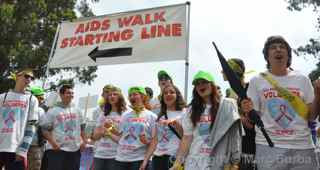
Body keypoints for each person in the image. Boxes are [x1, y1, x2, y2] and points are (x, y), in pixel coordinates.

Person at [241, 35, 320, 170]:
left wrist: (318, 94)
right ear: (267, 56)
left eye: (282, 47)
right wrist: (247, 112)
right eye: (273, 48)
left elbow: (311, 116)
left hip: (302, 146)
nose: (278, 49)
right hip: (268, 146)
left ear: (288, 55)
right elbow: (252, 119)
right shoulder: (256, 81)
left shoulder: (302, 79)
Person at [171, 71, 241, 170]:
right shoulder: (191, 110)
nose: (200, 85)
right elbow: (187, 138)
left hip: (218, 162)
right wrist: (177, 163)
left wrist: (234, 162)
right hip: (194, 162)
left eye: (204, 82)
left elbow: (234, 135)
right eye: (197, 84)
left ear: (212, 85)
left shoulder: (226, 105)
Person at [40, 84, 87, 170]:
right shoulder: (53, 111)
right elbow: (44, 130)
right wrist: (54, 144)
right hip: (57, 150)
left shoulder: (78, 110)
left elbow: (82, 127)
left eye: (72, 93)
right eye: (68, 93)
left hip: (74, 150)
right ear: (61, 95)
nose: (71, 95)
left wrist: (84, 141)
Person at [0, 68, 39, 170]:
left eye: (32, 78)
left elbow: (32, 126)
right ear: (17, 76)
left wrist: (23, 150)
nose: (29, 79)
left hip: (16, 149)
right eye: (26, 76)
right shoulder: (2, 97)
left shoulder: (32, 99)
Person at [222, 58, 256, 170]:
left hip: (249, 145)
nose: (222, 71)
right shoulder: (229, 93)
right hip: (233, 146)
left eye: (225, 68)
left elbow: (253, 119)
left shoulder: (250, 88)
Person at [115, 86, 157, 170]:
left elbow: (154, 142)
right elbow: (120, 137)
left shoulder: (152, 116)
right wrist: (109, 130)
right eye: (130, 95)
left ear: (142, 96)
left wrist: (145, 161)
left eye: (135, 94)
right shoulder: (125, 115)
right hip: (121, 159)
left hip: (139, 159)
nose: (132, 97)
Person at [91, 86, 127, 170]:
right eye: (110, 95)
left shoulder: (125, 115)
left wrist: (109, 131)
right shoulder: (103, 114)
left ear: (120, 97)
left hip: (116, 155)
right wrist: (103, 131)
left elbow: (123, 138)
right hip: (100, 154)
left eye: (115, 94)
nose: (112, 96)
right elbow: (95, 136)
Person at [152, 84, 186, 170]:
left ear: (177, 95)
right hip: (157, 158)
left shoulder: (185, 113)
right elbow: (156, 139)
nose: (168, 94)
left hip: (174, 158)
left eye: (172, 92)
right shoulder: (160, 115)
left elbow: (187, 138)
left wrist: (176, 125)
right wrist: (146, 160)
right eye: (165, 93)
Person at [28, 86, 46, 170]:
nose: (42, 100)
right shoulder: (39, 110)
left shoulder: (24, 108)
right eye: (40, 97)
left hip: (21, 144)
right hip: (35, 145)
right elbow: (45, 126)